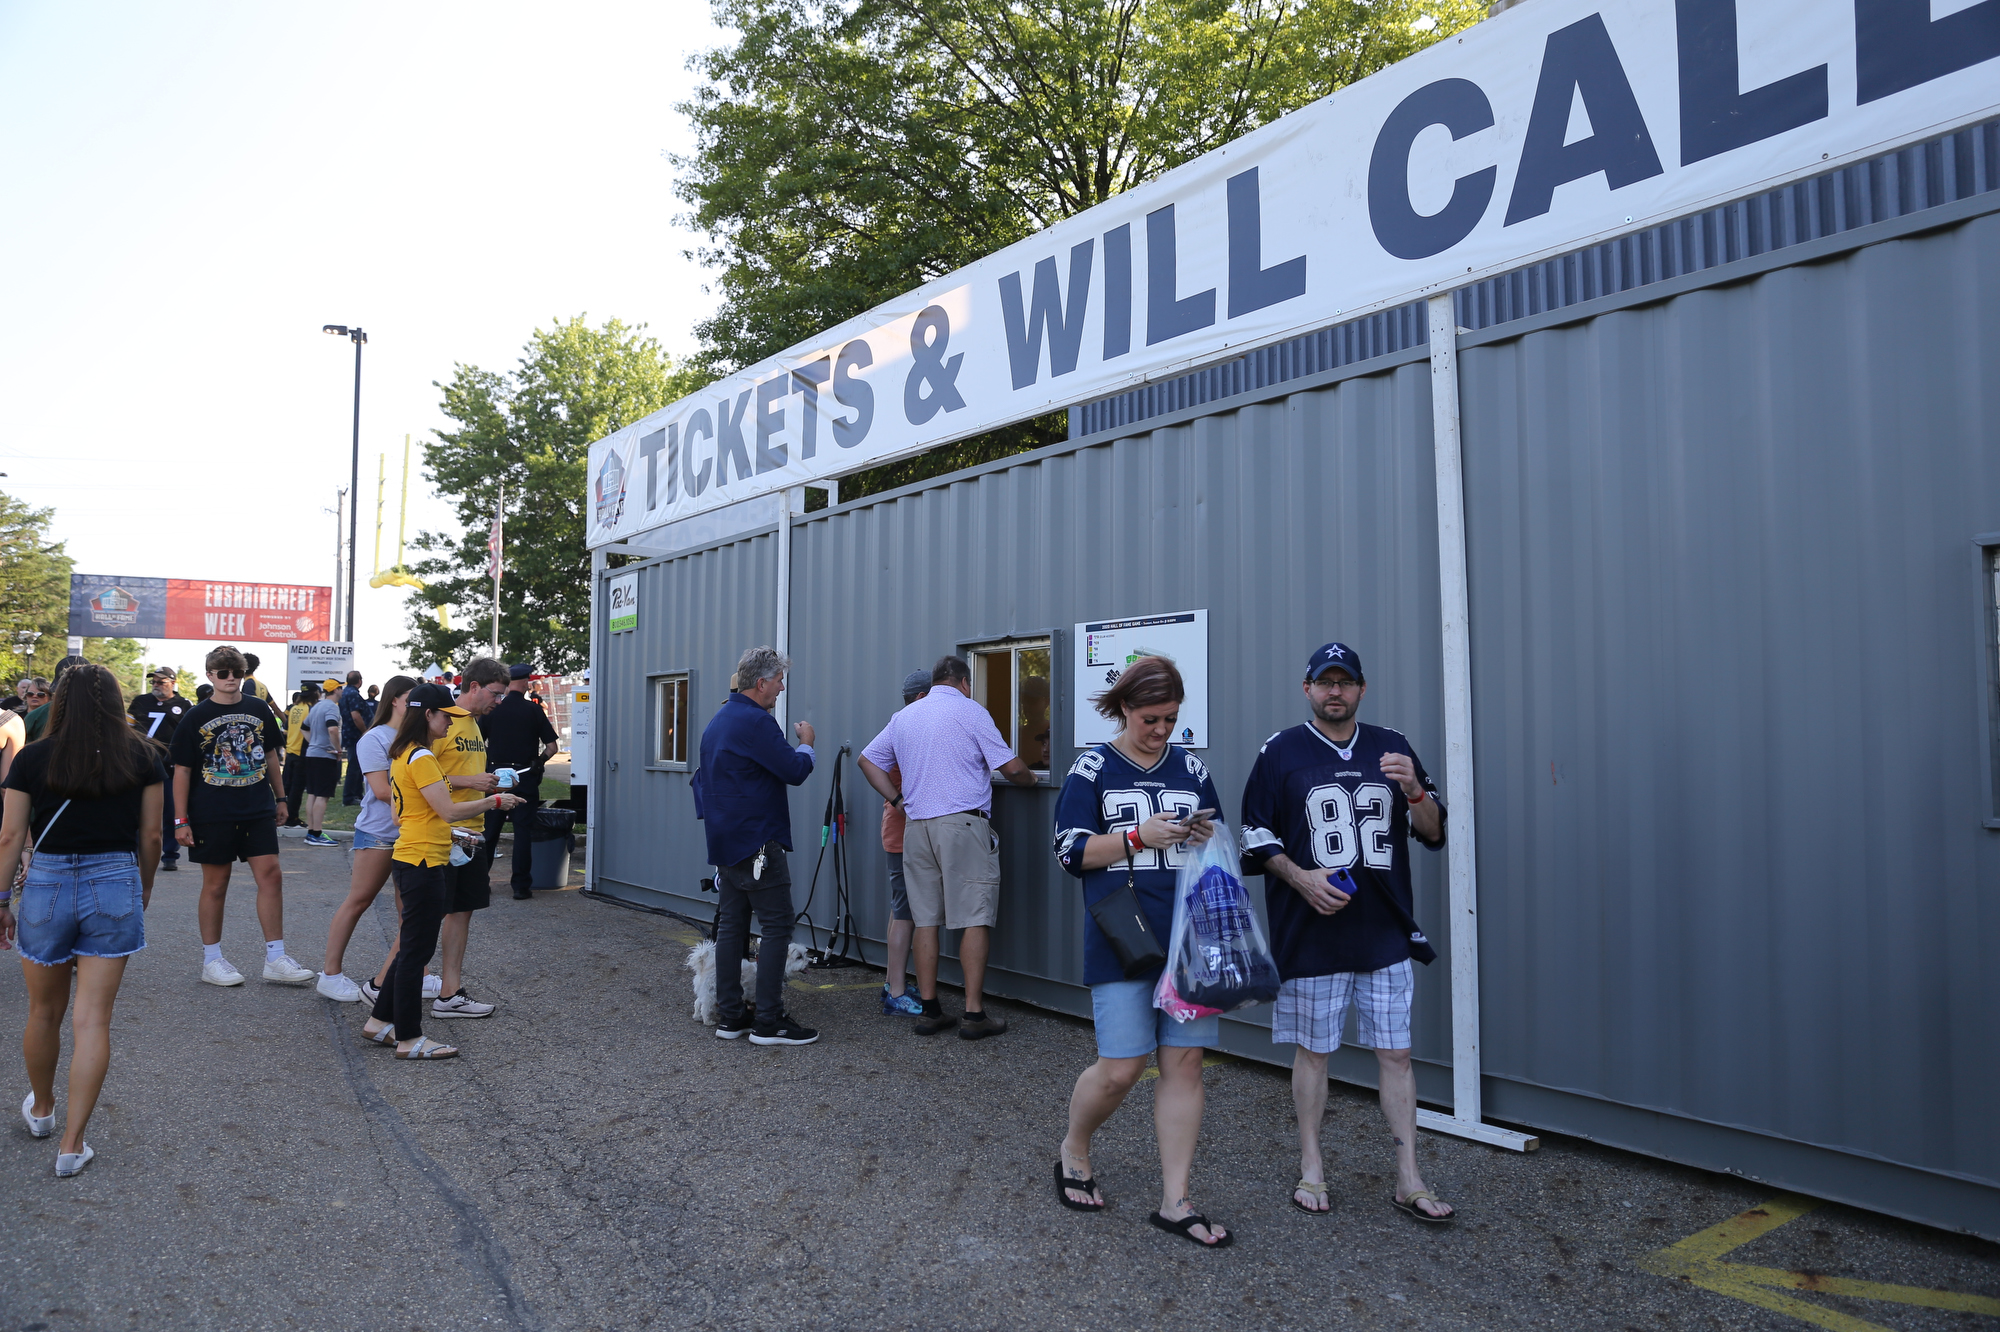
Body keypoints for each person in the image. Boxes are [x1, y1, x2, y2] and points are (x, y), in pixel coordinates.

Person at [1241, 642, 1454, 1224]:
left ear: (1362, 689)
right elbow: (1254, 837)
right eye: (1325, 682)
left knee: (1398, 1054)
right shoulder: (1281, 751)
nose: (1335, 691)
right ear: (1307, 688)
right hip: (1312, 934)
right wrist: (1299, 877)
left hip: (1384, 930)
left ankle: (1408, 1177)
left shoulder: (1393, 745)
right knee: (1313, 1054)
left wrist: (1414, 791)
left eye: (1346, 682)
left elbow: (1435, 832)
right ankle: (1311, 1165)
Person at [1051, 655, 1231, 1246]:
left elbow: (1219, 834)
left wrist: (1206, 833)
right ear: (1125, 707)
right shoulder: (1092, 767)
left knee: (1184, 1064)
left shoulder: (1191, 768)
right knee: (1123, 1066)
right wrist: (1136, 836)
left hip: (1189, 937)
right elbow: (1070, 852)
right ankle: (1074, 1146)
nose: (1161, 730)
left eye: (1172, 719)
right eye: (1151, 718)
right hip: (1123, 935)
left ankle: (1176, 1201)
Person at [0, 662, 164, 1177]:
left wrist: (1, 899)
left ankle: (43, 1110)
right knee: (93, 1019)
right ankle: (72, 1144)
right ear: (117, 703)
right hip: (115, 880)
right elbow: (153, 838)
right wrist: (145, 887)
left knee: (43, 1012)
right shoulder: (143, 755)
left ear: (60, 702)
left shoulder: (32, 757)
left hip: (46, 884)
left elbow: (8, 837)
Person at [858, 655, 1036, 1039]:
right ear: (964, 682)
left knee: (924, 919)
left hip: (917, 827)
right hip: (963, 824)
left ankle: (930, 1010)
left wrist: (897, 799)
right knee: (974, 915)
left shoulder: (904, 717)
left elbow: (867, 760)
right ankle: (973, 1016)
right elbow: (1013, 769)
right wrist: (1031, 781)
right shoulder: (970, 711)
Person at [358, 684, 524, 1059]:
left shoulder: (404, 753)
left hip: (414, 854)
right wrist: (496, 800)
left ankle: (378, 1022)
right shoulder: (422, 758)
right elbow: (448, 810)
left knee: (412, 948)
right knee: (415, 952)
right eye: (445, 716)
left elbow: (405, 814)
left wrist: (443, 824)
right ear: (427, 715)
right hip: (424, 860)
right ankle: (409, 1038)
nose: (451, 723)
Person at [169, 645, 313, 987]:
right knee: (216, 884)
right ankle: (212, 959)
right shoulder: (195, 716)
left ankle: (276, 957)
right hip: (212, 811)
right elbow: (182, 771)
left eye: (236, 673)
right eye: (223, 673)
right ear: (210, 676)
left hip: (256, 807)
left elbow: (272, 757)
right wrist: (180, 819)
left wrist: (281, 798)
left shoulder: (258, 708)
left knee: (271, 875)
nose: (230, 679)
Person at [694, 646, 817, 1046]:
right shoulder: (757, 723)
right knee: (778, 926)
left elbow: (702, 782)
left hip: (725, 842)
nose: (781, 688)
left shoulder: (718, 721)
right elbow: (794, 770)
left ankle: (731, 1017)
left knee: (731, 928)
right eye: (779, 681)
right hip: (758, 843)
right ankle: (769, 1021)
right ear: (761, 683)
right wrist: (807, 744)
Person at [319, 676, 442, 1004]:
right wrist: (433, 797)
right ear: (394, 701)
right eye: (410, 698)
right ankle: (330, 975)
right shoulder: (374, 739)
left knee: (412, 912)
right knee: (359, 900)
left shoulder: (417, 739)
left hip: (411, 835)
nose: (417, 705)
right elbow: (382, 791)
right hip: (378, 833)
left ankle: (419, 975)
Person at [431, 657, 509, 1018]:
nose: (499, 701)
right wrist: (471, 783)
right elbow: (416, 775)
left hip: (470, 833)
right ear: (473, 686)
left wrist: (487, 783)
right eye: (495, 693)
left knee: (462, 911)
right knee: (427, 915)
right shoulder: (441, 721)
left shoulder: (476, 725)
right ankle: (385, 985)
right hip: (444, 832)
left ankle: (449, 993)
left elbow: (455, 773)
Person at [876, 670, 932, 1016]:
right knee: (905, 912)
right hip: (902, 833)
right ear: (922, 698)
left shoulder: (902, 724)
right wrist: (899, 801)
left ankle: (891, 981)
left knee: (900, 909)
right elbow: (870, 763)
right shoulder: (907, 728)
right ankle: (896, 992)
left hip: (901, 831)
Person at [479, 663, 559, 900]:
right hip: (523, 775)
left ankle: (481, 881)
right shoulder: (533, 710)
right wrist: (539, 760)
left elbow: (478, 742)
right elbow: (552, 747)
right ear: (525, 683)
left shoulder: (493, 710)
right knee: (522, 831)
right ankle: (521, 886)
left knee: (490, 831)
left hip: (495, 777)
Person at [128, 668, 193, 872]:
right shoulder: (140, 701)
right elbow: (126, 728)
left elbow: (189, 736)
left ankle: (170, 854)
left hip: (169, 767)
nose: (156, 684)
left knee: (170, 810)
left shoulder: (184, 705)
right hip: (140, 763)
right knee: (136, 809)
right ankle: (135, 850)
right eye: (153, 681)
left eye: (161, 681)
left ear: (173, 683)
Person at [299, 678, 344, 847]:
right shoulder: (332, 707)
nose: (342, 691)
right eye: (341, 688)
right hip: (325, 756)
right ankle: (316, 833)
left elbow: (304, 727)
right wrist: (338, 749)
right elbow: (332, 728)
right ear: (336, 690)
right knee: (322, 796)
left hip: (312, 755)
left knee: (312, 793)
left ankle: (311, 831)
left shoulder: (317, 706)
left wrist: (313, 743)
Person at [24, 657, 88, 742]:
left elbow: (23, 751)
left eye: (41, 694)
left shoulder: (35, 716)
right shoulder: (104, 713)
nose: (34, 696)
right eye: (30, 694)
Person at [282, 687, 312, 827]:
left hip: (290, 750)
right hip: (302, 752)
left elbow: (285, 730)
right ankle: (292, 818)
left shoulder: (294, 708)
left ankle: (281, 815)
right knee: (297, 788)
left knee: (287, 786)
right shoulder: (310, 709)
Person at [339, 670, 368, 806]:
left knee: (356, 765)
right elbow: (356, 715)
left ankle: (356, 794)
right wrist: (364, 731)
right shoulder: (353, 694)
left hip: (349, 733)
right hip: (356, 734)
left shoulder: (345, 693)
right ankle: (350, 797)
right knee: (355, 766)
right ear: (360, 681)